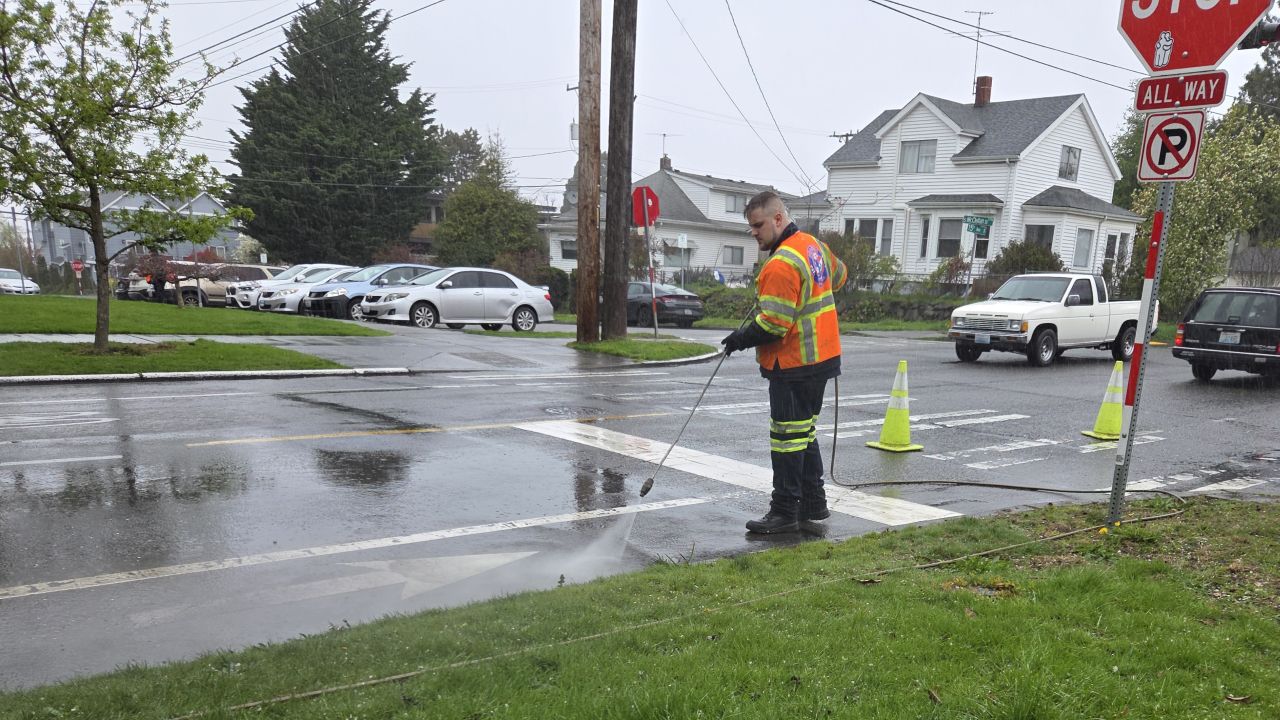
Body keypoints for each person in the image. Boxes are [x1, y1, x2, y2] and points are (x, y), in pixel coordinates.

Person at [721, 191, 847, 534]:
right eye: (750, 226)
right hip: (822, 359)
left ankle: (784, 511)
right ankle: (813, 503)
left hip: (794, 364)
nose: (754, 232)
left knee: (787, 439)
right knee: (803, 434)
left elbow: (774, 324)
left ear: (779, 219)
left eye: (758, 225)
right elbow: (840, 276)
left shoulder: (780, 263)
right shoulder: (812, 246)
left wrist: (739, 338)